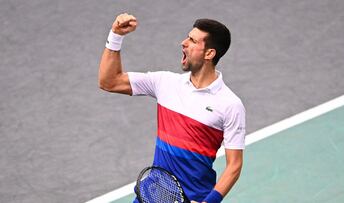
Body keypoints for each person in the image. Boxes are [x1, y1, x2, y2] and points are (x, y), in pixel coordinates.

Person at [99, 13, 246, 203]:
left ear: (209, 53)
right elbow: (109, 81)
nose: (183, 43)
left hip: (196, 197)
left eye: (192, 40)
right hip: (154, 195)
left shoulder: (230, 105)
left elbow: (234, 165)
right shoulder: (165, 83)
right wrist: (115, 36)